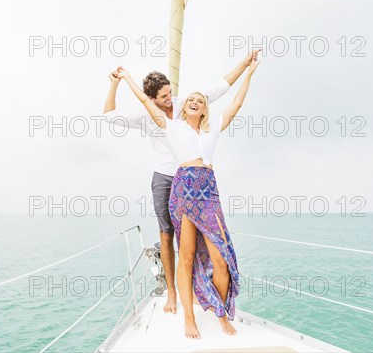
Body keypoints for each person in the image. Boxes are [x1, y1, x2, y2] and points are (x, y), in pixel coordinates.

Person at [102, 51, 260, 314]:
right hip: (166, 179)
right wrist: (116, 83)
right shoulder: (149, 116)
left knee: (200, 239)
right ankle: (173, 292)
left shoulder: (188, 104)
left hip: (198, 182)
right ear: (153, 99)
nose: (168, 99)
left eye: (169, 93)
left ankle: (201, 289)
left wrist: (246, 64)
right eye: (162, 97)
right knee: (166, 234)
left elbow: (222, 87)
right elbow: (109, 116)